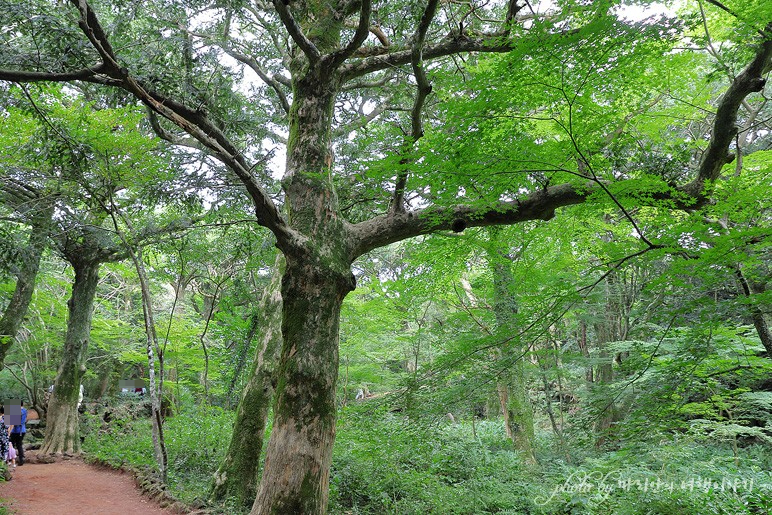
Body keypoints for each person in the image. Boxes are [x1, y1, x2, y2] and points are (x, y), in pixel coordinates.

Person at [9, 400, 26, 466]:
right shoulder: (25, 410)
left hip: (15, 431)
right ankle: (21, 460)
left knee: (11, 445)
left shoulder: (15, 410)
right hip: (22, 430)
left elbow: (13, 422)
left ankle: (11, 460)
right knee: (19, 445)